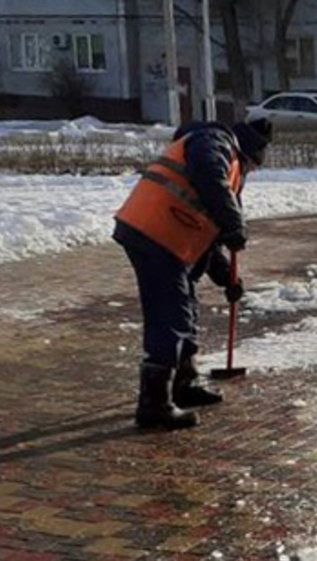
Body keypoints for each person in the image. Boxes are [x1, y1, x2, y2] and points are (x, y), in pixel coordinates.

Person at [113, 117, 272, 431]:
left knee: (182, 307)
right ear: (250, 154)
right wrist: (233, 223)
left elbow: (208, 235)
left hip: (163, 234)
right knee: (170, 314)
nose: (251, 173)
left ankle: (182, 384)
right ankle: (154, 404)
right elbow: (208, 174)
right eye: (254, 166)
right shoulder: (214, 142)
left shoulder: (223, 158)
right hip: (156, 231)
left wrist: (228, 278)